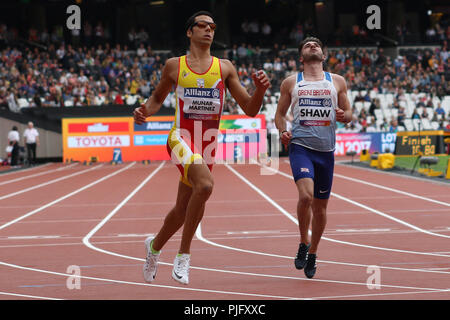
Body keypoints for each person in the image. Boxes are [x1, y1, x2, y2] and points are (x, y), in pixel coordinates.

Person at [133, 11, 270, 285]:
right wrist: (144, 111)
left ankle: (154, 246)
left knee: (182, 210)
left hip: (208, 145)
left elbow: (251, 109)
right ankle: (184, 256)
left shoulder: (225, 67)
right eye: (203, 26)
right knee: (206, 186)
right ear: (189, 32)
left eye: (213, 27)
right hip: (180, 138)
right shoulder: (175, 65)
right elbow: (158, 98)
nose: (209, 30)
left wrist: (261, 90)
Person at [274, 37, 352, 279]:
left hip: (326, 152)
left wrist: (343, 114)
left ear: (323, 55)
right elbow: (279, 115)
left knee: (320, 208)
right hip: (301, 147)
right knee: (306, 196)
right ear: (301, 57)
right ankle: (303, 241)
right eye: (307, 45)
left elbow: (349, 113)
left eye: (316, 44)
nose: (312, 45)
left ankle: (314, 253)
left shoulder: (337, 81)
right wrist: (283, 131)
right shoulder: (291, 82)